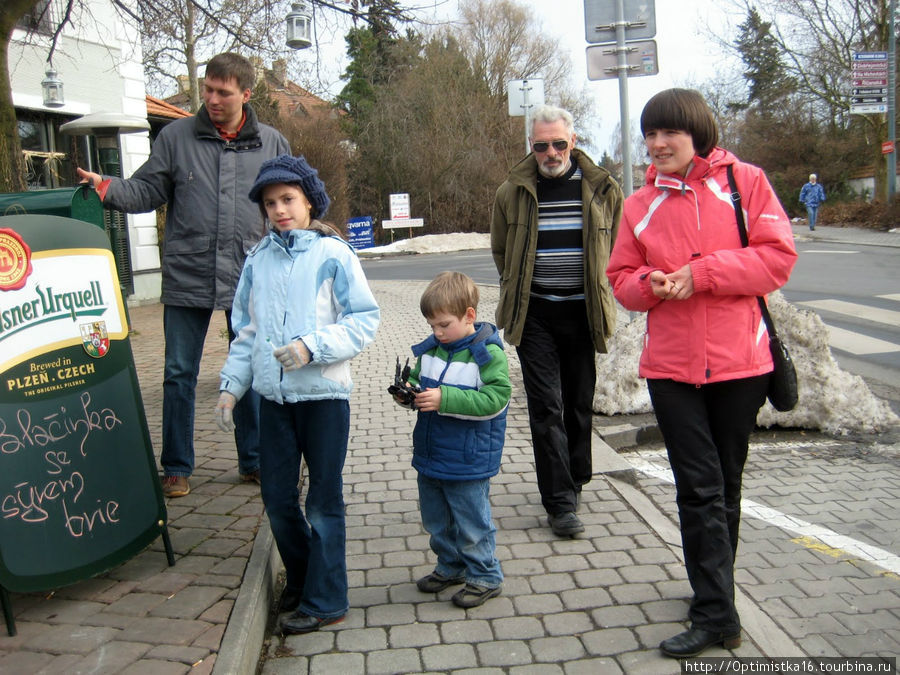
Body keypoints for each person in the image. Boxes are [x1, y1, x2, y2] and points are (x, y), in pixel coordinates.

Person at [606, 88, 797, 658]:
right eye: (650, 134)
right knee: (699, 487)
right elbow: (621, 277)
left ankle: (715, 596)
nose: (658, 144)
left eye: (670, 133)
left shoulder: (745, 182)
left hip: (743, 363)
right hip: (672, 368)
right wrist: (651, 286)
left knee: (726, 487)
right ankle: (717, 613)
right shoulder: (639, 203)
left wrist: (701, 273)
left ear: (698, 134)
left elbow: (778, 258)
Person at [77, 53, 291, 498]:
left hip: (250, 274)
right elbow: (147, 189)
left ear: (246, 95)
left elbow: (288, 202)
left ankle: (252, 461)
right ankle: (175, 466)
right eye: (208, 89)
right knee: (178, 373)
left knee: (251, 369)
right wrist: (106, 187)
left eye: (223, 92)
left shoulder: (271, 143)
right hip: (187, 272)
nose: (212, 98)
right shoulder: (175, 137)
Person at [215, 154, 380, 634]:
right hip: (273, 400)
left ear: (309, 200)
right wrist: (231, 387)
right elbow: (245, 331)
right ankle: (305, 578)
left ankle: (327, 599)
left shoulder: (334, 255)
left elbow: (364, 319)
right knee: (277, 497)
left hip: (324, 398)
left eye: (288, 199)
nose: (279, 209)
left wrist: (313, 346)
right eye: (270, 202)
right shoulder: (257, 260)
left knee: (323, 501)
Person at [490, 104, 623, 537]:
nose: (550, 153)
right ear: (532, 145)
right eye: (541, 145)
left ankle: (578, 475)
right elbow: (500, 250)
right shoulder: (512, 191)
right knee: (546, 408)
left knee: (579, 403)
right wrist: (515, 286)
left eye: (558, 144)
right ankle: (560, 502)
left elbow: (616, 248)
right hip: (536, 317)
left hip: (583, 313)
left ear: (573, 142)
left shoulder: (603, 190)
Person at [392, 271, 510, 608]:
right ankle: (451, 565)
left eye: (444, 325)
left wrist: (445, 400)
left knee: (471, 521)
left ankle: (485, 575)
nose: (437, 332)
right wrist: (409, 396)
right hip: (431, 453)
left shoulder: (486, 353)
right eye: (432, 326)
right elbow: (417, 379)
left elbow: (497, 400)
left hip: (468, 457)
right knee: (435, 518)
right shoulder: (431, 350)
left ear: (469, 315)